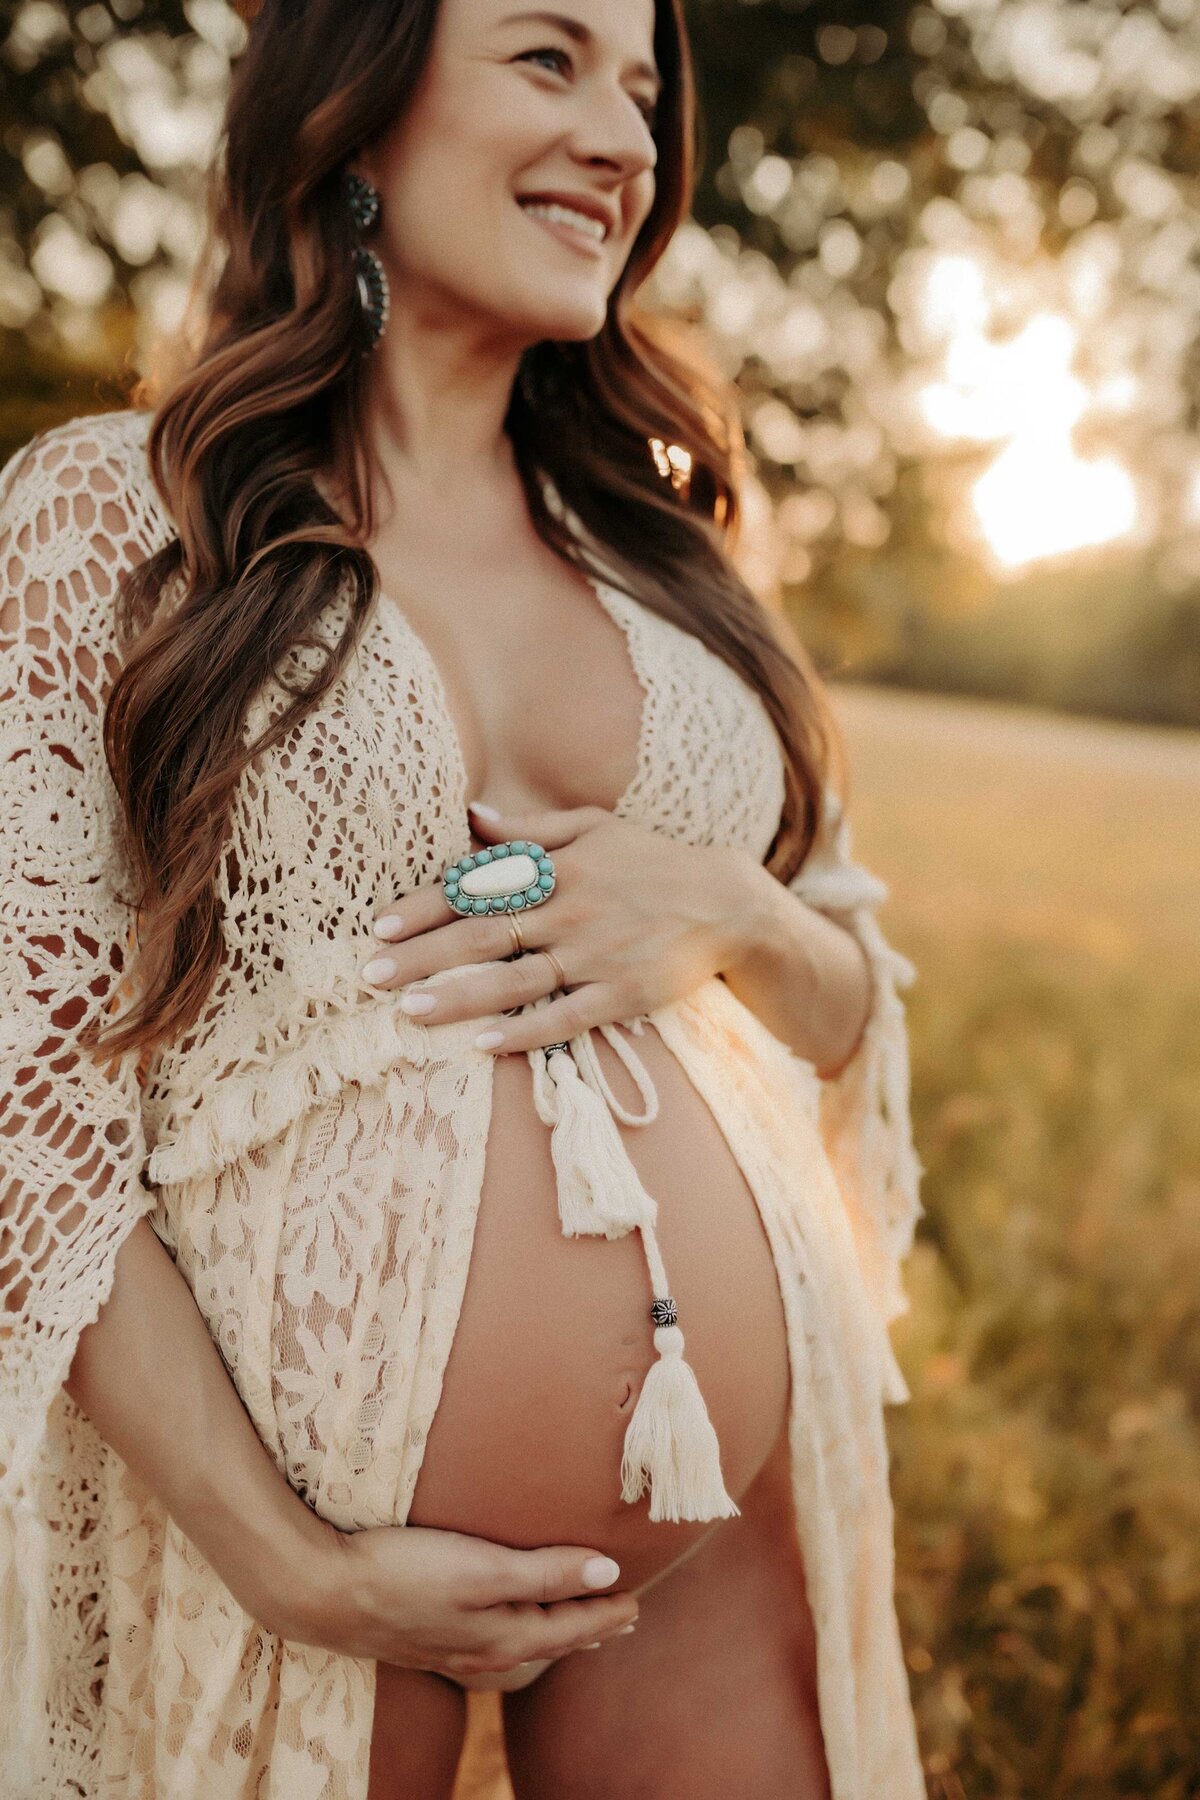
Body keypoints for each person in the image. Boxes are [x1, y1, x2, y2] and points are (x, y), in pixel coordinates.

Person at [0, 0, 927, 1795]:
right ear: (352, 110)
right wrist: (296, 1564)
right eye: (550, 60)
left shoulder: (669, 551)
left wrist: (728, 906)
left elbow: (841, 995)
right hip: (264, 1554)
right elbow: (27, 1108)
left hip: (717, 1528)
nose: (627, 141)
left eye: (649, 95)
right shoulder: (112, 522)